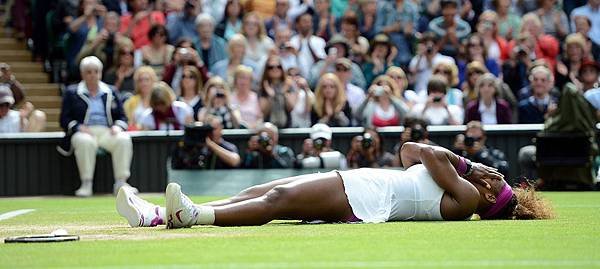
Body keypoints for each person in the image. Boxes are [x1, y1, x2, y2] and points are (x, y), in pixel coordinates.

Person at [116, 141, 553, 228]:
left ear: (491, 200)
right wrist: (470, 165)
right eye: (496, 180)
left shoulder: (468, 196)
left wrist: (471, 165)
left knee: (278, 199)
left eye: (498, 188)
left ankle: (192, 216)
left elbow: (433, 154)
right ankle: (157, 215)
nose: (493, 183)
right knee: (260, 193)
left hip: (365, 198)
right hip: (362, 183)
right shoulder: (463, 185)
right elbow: (408, 150)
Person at [57, 56, 135, 197]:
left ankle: (121, 183)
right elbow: (64, 119)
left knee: (123, 139)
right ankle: (86, 184)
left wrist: (117, 127)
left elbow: (122, 117)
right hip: (84, 131)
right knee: (84, 141)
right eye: (89, 72)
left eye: (96, 71)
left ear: (100, 73)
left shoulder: (111, 91)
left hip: (107, 132)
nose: (93, 75)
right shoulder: (71, 92)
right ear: (82, 74)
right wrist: (79, 127)